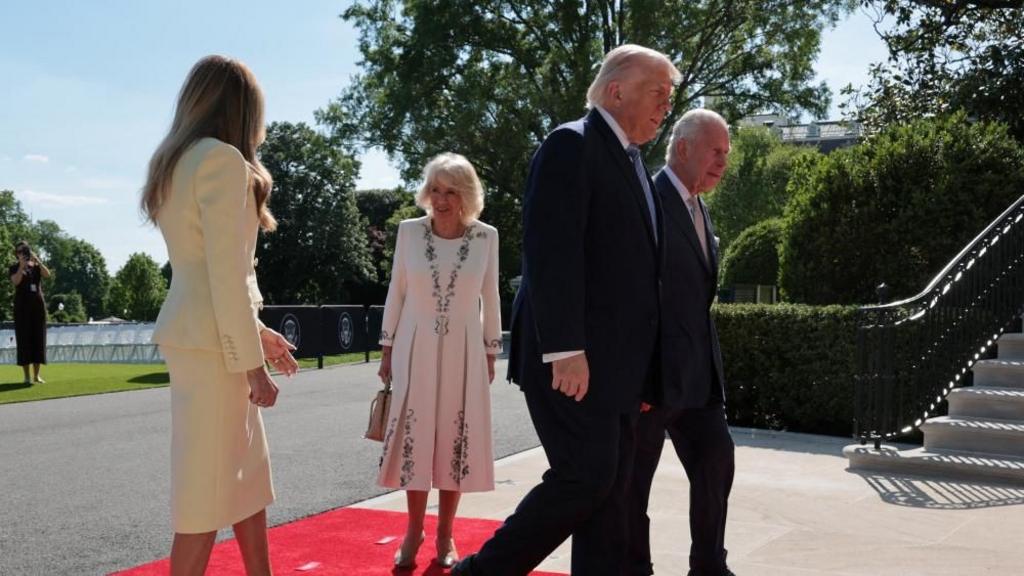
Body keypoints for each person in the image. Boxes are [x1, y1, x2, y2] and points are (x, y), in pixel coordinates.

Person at [453, 44, 679, 576]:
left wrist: (647, 376)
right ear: (617, 89)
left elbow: (638, 278)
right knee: (588, 477)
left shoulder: (631, 160)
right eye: (657, 94)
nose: (664, 108)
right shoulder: (571, 145)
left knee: (611, 496)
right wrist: (566, 349)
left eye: (670, 100)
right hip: (573, 362)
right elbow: (551, 252)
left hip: (619, 370)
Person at [142, 55, 299, 576]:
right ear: (243, 108)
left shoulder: (175, 163)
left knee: (245, 476)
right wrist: (252, 365)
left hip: (203, 338)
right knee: (205, 495)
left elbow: (212, 275)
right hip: (217, 351)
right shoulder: (223, 162)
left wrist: (258, 335)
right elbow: (227, 278)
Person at [376, 152, 502, 569]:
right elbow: (397, 289)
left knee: (455, 438)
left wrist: (489, 351)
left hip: (465, 349)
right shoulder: (409, 233)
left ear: (467, 195)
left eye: (451, 191)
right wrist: (388, 347)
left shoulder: (486, 237)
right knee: (416, 437)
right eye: (435, 189)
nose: (442, 199)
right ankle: (414, 530)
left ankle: (446, 534)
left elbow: (491, 296)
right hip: (414, 346)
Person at [628, 109, 736, 576]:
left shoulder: (700, 205)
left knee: (717, 466)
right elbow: (634, 299)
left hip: (698, 380)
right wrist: (642, 379)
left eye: (726, 154)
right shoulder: (647, 200)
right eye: (716, 151)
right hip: (654, 383)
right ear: (684, 147)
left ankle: (709, 567)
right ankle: (636, 569)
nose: (723, 163)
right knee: (633, 489)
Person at [9, 241, 50, 384]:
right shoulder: (14, 267)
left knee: (38, 339)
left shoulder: (36, 267)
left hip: (38, 307)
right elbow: (16, 281)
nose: (22, 254)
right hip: (22, 308)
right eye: (19, 252)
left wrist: (37, 259)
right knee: (24, 340)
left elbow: (47, 274)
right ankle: (26, 376)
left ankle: (36, 375)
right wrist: (21, 266)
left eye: (25, 251)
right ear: (16, 254)